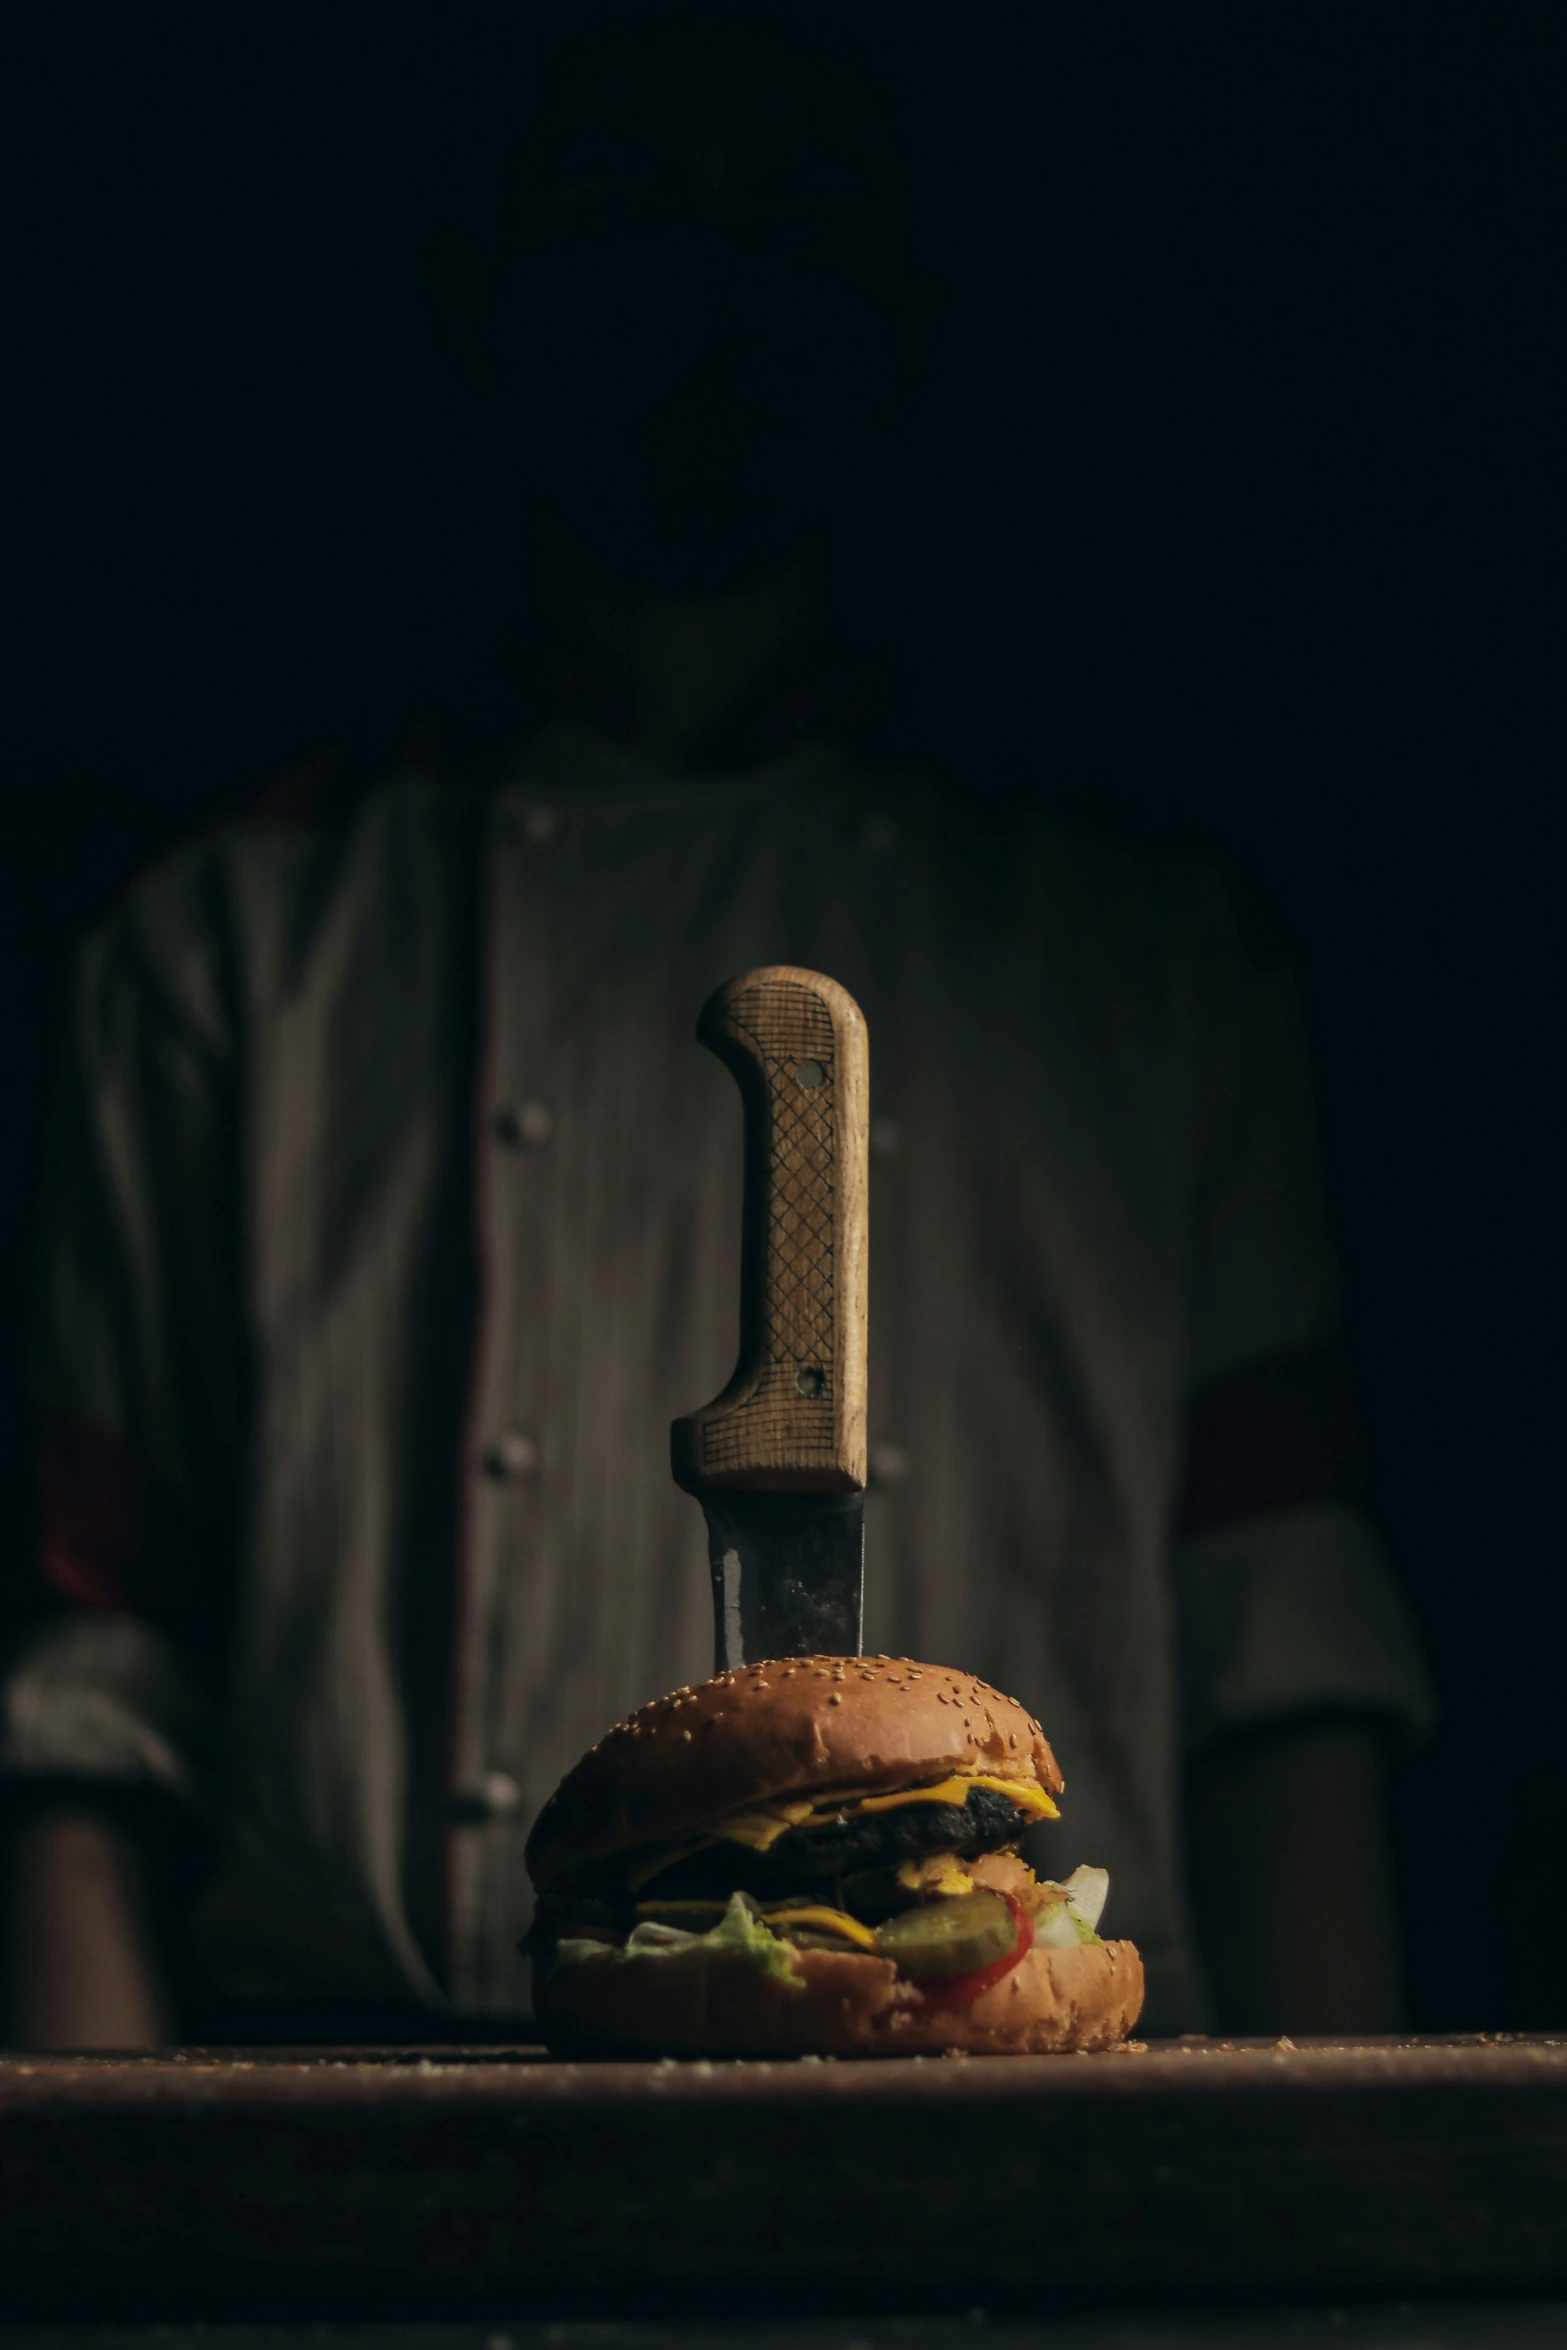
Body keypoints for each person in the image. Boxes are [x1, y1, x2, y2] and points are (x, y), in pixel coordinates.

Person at [1, 4, 1432, 2047]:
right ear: (478, 283)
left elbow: (1283, 1642)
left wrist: (1329, 2217)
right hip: (355, 2125)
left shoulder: (1150, 961)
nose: (709, 267)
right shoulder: (221, 951)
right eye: (624, 200)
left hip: (1069, 2162)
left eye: (795, 209)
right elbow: (92, 1685)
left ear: (912, 306)